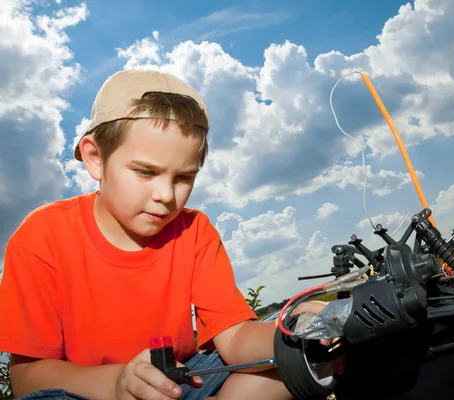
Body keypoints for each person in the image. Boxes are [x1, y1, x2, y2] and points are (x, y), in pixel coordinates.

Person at [0, 69, 330, 399]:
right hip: (92, 392)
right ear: (95, 157)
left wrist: (295, 331)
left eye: (183, 177)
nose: (166, 196)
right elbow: (28, 377)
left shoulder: (194, 230)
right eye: (146, 172)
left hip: (183, 382)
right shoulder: (42, 236)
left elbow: (235, 338)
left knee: (293, 364)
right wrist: (118, 384)